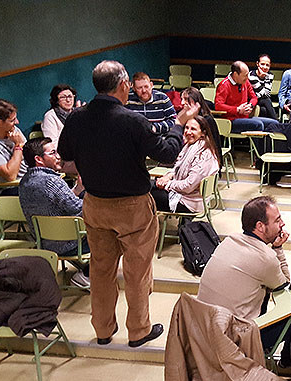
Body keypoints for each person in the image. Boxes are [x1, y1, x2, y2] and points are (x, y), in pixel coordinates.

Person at [59, 60, 198, 348]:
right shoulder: (132, 121)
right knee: (137, 272)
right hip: (132, 207)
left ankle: (102, 329)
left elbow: (64, 154)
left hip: (95, 204)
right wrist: (178, 124)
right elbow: (167, 153)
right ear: (124, 85)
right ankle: (138, 331)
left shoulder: (76, 118)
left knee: (101, 270)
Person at [197, 196, 291, 368]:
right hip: (234, 339)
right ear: (260, 226)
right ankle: (284, 365)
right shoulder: (265, 257)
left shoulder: (229, 241)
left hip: (203, 332)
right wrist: (278, 248)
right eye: (277, 220)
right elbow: (283, 284)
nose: (283, 224)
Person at [18, 137, 89, 288]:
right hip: (69, 243)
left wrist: (78, 190)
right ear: (39, 159)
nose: (58, 156)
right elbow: (78, 209)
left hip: (44, 241)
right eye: (53, 153)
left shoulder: (25, 181)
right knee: (115, 234)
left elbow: (58, 203)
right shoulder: (51, 181)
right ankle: (87, 274)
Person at [150, 115, 220, 214]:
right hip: (183, 193)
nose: (188, 132)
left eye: (193, 129)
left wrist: (168, 184)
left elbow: (188, 186)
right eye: (187, 128)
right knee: (147, 185)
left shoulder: (204, 154)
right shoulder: (190, 145)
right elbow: (177, 168)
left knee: (146, 194)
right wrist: (168, 176)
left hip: (189, 202)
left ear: (203, 133)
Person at [215, 61, 277, 133]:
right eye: (245, 75)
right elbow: (218, 106)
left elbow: (254, 97)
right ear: (235, 74)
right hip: (230, 120)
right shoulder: (224, 85)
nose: (247, 77)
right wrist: (237, 109)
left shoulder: (246, 82)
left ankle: (268, 141)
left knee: (274, 124)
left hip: (245, 118)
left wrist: (250, 105)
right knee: (258, 125)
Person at [248, 54, 277, 120]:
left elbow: (267, 93)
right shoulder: (251, 75)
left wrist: (265, 77)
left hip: (262, 100)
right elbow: (263, 93)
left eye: (267, 65)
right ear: (257, 64)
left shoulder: (270, 75)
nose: (265, 67)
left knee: (263, 110)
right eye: (262, 64)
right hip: (251, 100)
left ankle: (270, 125)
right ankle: (276, 121)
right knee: (266, 100)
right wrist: (265, 78)